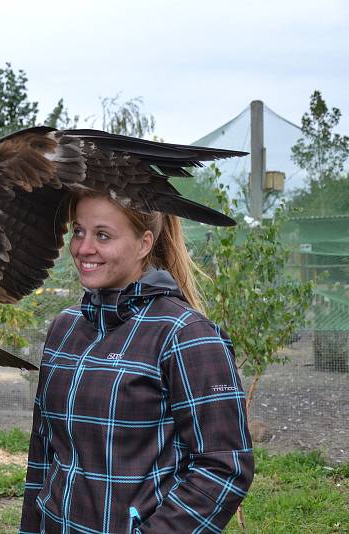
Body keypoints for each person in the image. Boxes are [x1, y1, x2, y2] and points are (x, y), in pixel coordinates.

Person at [20, 192, 254, 533]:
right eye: (78, 231)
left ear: (144, 244)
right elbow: (43, 452)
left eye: (103, 235)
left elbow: (224, 467)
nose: (84, 248)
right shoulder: (64, 329)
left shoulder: (186, 335)